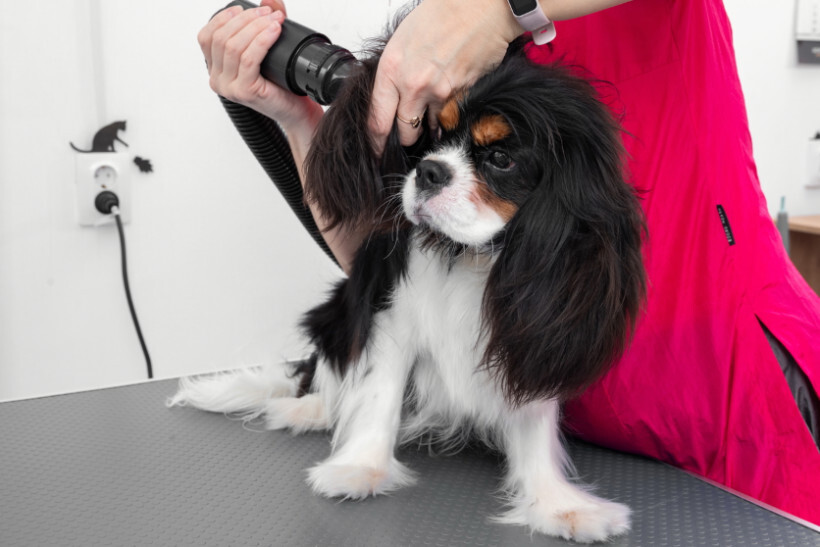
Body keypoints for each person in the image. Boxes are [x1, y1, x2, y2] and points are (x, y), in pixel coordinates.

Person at [199, 0, 820, 525]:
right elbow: (388, 266)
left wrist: (495, 9)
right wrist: (296, 121)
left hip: (724, 395)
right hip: (541, 426)